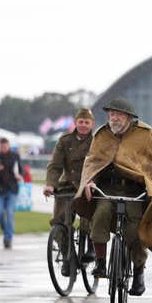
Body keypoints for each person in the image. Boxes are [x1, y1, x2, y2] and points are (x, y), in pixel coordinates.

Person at [74, 98, 152, 296]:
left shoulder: (145, 135)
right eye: (111, 114)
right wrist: (90, 181)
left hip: (135, 191)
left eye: (118, 115)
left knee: (134, 232)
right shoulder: (103, 134)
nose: (114, 118)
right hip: (108, 190)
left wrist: (151, 188)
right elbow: (93, 162)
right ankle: (100, 262)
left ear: (129, 118)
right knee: (100, 216)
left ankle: (139, 273)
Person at [43, 107, 96, 275]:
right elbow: (55, 165)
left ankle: (91, 247)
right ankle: (68, 256)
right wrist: (50, 184)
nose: (83, 125)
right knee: (58, 223)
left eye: (87, 122)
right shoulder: (65, 141)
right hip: (66, 187)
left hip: (87, 186)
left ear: (92, 124)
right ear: (75, 122)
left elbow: (100, 165)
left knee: (89, 219)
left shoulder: (97, 142)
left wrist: (93, 182)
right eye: (80, 121)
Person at [0, 137, 23, 248]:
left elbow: (21, 171)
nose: (4, 148)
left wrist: (19, 176)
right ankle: (6, 232)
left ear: (8, 145)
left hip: (12, 189)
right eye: (2, 146)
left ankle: (8, 239)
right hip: (0, 190)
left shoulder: (15, 156)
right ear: (0, 147)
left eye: (6, 146)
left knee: (10, 214)